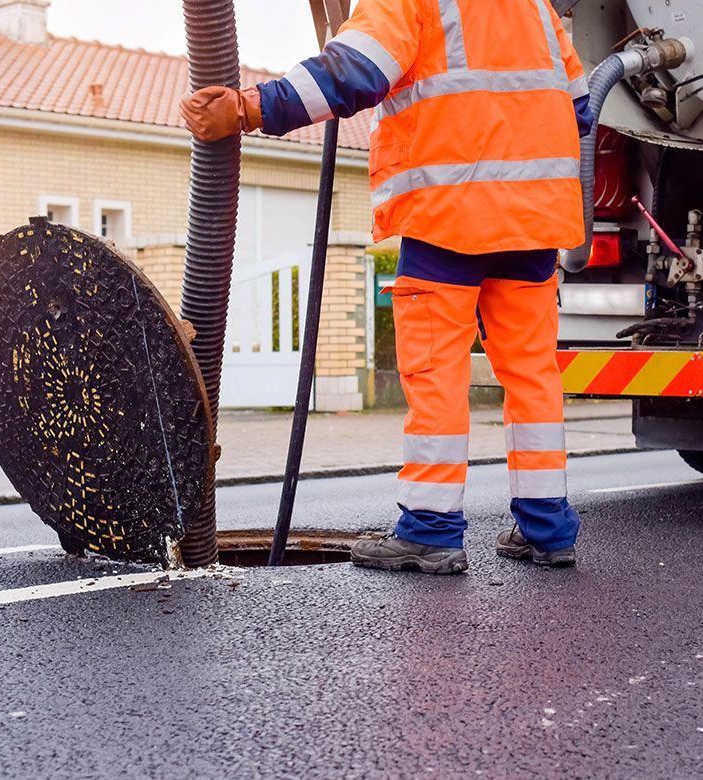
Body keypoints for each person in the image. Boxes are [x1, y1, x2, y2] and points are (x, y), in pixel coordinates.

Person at [180, 0, 592, 575]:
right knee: (532, 374)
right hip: (534, 223)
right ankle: (548, 529)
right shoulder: (535, 9)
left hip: (448, 215)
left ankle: (431, 529)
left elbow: (353, 72)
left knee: (435, 374)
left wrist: (250, 108)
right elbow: (580, 107)